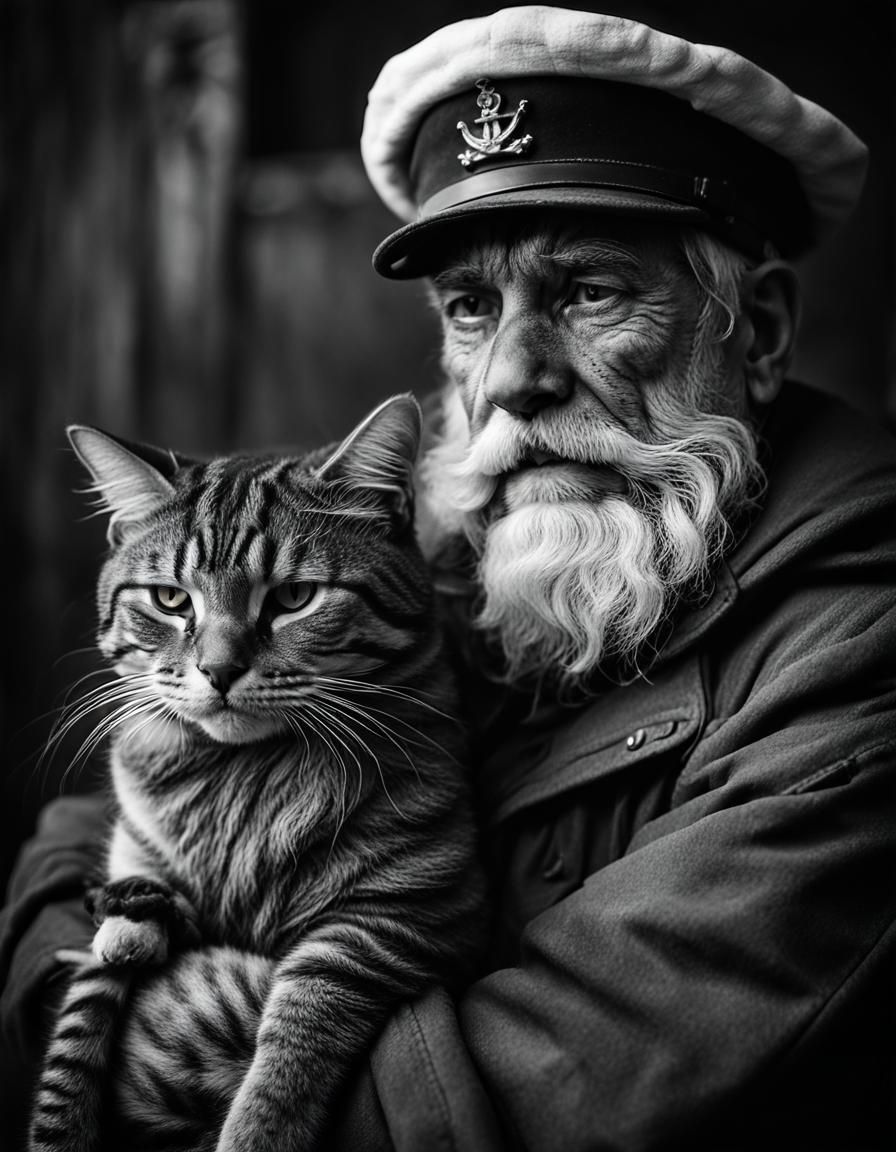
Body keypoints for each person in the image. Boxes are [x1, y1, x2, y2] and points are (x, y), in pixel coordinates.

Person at [3, 6, 895, 1149]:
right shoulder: (448, 546)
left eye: (586, 293)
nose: (511, 381)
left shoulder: (856, 660)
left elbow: (521, 1096)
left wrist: (143, 1040)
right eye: (472, 309)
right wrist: (59, 970)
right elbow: (97, 810)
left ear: (756, 328)